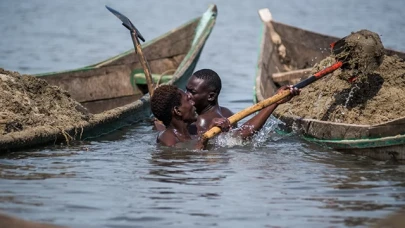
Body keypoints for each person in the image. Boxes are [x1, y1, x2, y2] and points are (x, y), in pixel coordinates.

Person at [150, 84, 300, 149]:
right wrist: (205, 139)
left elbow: (242, 133)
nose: (193, 101)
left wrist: (274, 102)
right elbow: (189, 158)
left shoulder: (193, 131)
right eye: (187, 100)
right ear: (177, 110)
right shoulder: (166, 137)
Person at [153, 68, 235, 134]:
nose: (187, 95)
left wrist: (161, 127)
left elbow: (181, 136)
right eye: (187, 90)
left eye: (192, 92)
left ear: (211, 96)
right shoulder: (228, 113)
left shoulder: (198, 121)